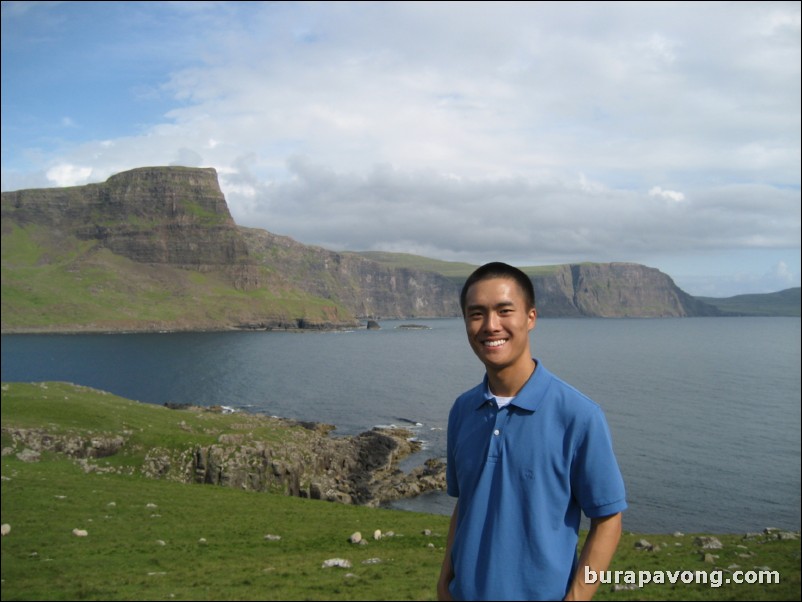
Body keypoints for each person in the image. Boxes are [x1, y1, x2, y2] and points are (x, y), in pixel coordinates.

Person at [437, 262, 627, 601]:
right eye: (476, 314)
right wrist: (445, 582)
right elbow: (467, 502)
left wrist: (577, 597)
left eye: (504, 311)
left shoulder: (578, 415)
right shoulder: (463, 410)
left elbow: (608, 520)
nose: (490, 326)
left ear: (531, 318)